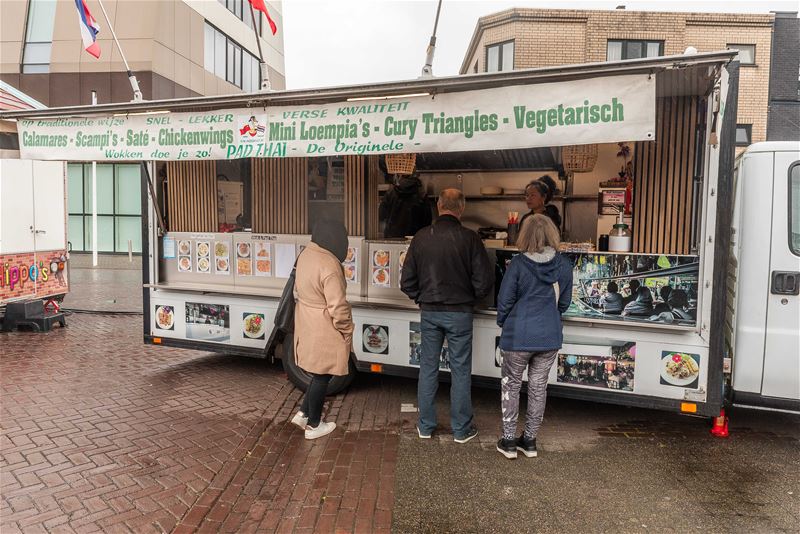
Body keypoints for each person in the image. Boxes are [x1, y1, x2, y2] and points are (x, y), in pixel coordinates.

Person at [400, 189, 493, 443]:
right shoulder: (470, 239)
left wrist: (422, 297)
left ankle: (426, 426)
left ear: (439, 206)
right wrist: (470, 298)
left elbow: (406, 281)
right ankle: (461, 430)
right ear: (460, 209)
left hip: (430, 312)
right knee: (460, 370)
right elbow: (484, 282)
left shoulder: (421, 237)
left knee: (428, 368)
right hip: (461, 313)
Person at [495, 214, 573, 459]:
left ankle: (508, 442)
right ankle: (529, 441)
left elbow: (505, 301)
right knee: (538, 387)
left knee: (511, 385)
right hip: (549, 337)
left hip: (518, 336)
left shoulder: (518, 264)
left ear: (525, 236)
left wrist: (503, 323)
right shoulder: (564, 265)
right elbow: (565, 303)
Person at [290, 221, 354, 440]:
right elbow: (338, 306)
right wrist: (346, 329)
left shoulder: (306, 254)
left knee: (318, 371)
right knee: (323, 375)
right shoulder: (330, 265)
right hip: (324, 325)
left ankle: (303, 413)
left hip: (306, 319)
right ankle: (314, 425)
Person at [379, 174, 432, 238]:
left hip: (392, 238)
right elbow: (427, 222)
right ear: (416, 175)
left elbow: (381, 215)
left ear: (400, 175)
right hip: (414, 238)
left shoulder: (391, 192)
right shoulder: (421, 194)